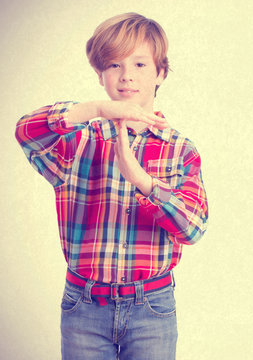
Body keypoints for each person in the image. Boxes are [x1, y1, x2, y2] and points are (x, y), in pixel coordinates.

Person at [15, 12, 208, 360]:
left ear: (160, 73)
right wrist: (98, 109)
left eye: (139, 64)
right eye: (114, 65)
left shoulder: (180, 149)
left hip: (152, 307)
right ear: (100, 74)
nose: (127, 76)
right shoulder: (79, 140)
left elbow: (193, 228)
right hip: (84, 305)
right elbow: (27, 131)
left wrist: (145, 183)